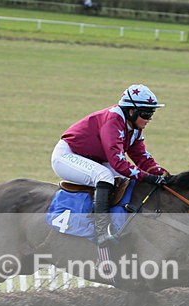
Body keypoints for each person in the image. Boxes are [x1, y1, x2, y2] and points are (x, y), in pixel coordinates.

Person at [51, 84, 169, 247]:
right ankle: (101, 233)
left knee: (123, 180)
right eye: (146, 114)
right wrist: (148, 177)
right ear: (131, 111)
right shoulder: (113, 121)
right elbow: (119, 163)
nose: (149, 119)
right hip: (67, 156)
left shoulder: (134, 127)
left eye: (152, 113)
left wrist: (164, 176)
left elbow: (142, 158)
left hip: (94, 158)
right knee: (104, 176)